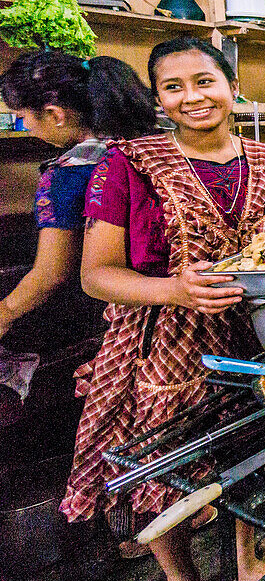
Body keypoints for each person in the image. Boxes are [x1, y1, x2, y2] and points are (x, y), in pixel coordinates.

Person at [62, 37, 265, 581]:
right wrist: (176, 289)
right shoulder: (128, 163)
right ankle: (180, 577)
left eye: (204, 81)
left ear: (232, 88)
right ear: (158, 99)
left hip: (253, 332)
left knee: (251, 455)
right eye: (173, 87)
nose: (192, 97)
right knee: (160, 467)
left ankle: (246, 558)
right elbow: (96, 275)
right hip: (162, 340)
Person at [0, 52, 157, 413]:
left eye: (24, 118)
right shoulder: (153, 147)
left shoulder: (68, 173)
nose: (26, 127)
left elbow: (51, 274)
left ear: (55, 114)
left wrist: (5, 313)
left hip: (111, 323)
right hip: (168, 303)